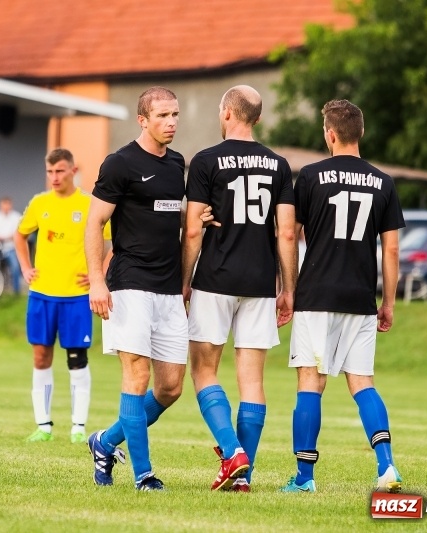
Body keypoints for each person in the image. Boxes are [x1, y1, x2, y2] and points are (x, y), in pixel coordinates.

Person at [283, 99, 406, 494]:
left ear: (329, 134)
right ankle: (386, 466)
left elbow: (290, 233)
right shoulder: (384, 182)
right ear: (361, 133)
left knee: (310, 382)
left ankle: (304, 478)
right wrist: (387, 301)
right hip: (359, 297)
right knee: (362, 382)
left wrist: (286, 286)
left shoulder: (311, 177)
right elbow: (391, 251)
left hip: (316, 293)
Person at [181, 85, 297, 492]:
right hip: (261, 282)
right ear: (257, 119)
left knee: (203, 370)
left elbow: (193, 227)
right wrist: (288, 288)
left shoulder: (206, 160)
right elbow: (286, 233)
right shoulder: (279, 165)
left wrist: (183, 280)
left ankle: (233, 454)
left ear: (227, 113)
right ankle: (242, 476)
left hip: (215, 277)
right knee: (252, 381)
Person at [85, 86, 187, 492]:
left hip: (169, 289)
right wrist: (96, 280)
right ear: (143, 120)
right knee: (138, 375)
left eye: (175, 115)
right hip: (129, 284)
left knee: (170, 387)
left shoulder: (177, 163)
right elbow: (94, 223)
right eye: (163, 116)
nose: (171, 123)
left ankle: (105, 441)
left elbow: (173, 218)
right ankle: (144, 475)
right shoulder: (120, 163)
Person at [14, 148, 109, 444]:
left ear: (73, 170)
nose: (54, 177)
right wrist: (26, 268)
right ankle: (43, 426)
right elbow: (20, 235)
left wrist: (100, 276)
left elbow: (113, 241)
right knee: (41, 356)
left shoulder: (89, 204)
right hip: (42, 295)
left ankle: (78, 428)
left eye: (60, 171)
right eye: (50, 172)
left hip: (77, 297)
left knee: (76, 359)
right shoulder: (40, 203)